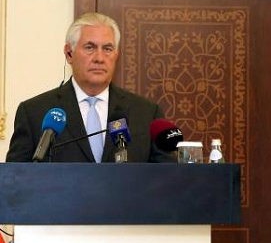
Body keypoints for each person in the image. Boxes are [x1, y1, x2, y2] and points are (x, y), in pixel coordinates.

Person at [6, 12, 172, 163]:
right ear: (69, 53)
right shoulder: (35, 113)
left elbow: (167, 178)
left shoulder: (147, 113)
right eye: (90, 47)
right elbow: (14, 180)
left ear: (116, 55)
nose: (99, 58)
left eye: (107, 49)